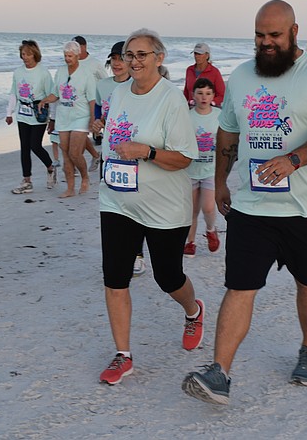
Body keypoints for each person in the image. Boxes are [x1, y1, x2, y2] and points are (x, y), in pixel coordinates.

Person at [182, 0, 307, 405]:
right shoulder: (242, 75)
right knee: (239, 286)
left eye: (275, 35)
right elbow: (227, 131)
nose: (266, 42)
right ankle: (219, 372)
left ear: (295, 31)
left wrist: (294, 159)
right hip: (252, 206)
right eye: (260, 35)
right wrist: (220, 182)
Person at [95, 28, 204, 386]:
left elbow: (185, 158)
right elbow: (116, 137)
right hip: (117, 200)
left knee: (167, 277)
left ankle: (193, 310)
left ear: (159, 58)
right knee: (114, 278)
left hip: (163, 207)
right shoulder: (118, 93)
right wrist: (102, 132)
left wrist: (147, 151)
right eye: (129, 54)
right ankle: (123, 355)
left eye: (142, 54)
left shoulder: (171, 99)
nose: (134, 61)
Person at [93, 41, 145, 277]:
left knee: (133, 205)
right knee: (111, 202)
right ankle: (117, 255)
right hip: (109, 154)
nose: (116, 63)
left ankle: (138, 254)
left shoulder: (138, 85)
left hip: (132, 155)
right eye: (113, 59)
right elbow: (99, 112)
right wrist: (97, 124)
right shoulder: (103, 85)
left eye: (121, 58)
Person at [5, 40, 58, 194]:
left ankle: (50, 167)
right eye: (23, 54)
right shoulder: (18, 72)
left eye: (28, 54)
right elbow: (13, 93)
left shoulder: (43, 73)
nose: (25, 57)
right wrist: (9, 113)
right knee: (24, 147)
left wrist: (52, 119)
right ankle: (27, 181)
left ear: (35, 54)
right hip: (22, 114)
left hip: (38, 114)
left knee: (35, 145)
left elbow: (52, 96)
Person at [53, 41, 97, 197]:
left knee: (74, 153)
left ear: (78, 55)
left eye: (70, 56)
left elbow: (92, 99)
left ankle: (85, 177)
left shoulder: (86, 74)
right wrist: (44, 101)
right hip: (63, 117)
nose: (67, 59)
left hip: (81, 116)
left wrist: (92, 119)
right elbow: (55, 94)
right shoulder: (60, 71)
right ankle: (70, 188)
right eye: (65, 56)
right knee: (65, 153)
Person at [183, 78, 221, 257]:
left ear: (213, 95)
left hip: (210, 170)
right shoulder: (187, 116)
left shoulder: (219, 115)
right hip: (190, 170)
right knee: (191, 210)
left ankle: (211, 230)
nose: (204, 97)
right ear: (193, 95)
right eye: (200, 93)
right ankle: (190, 242)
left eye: (208, 93)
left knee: (208, 207)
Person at [72, 35, 108, 171]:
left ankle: (76, 164)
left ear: (84, 47)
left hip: (92, 104)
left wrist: (101, 106)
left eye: (77, 47)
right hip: (76, 105)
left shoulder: (94, 63)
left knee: (80, 134)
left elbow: (105, 82)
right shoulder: (72, 63)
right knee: (78, 133)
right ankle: (94, 155)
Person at [183, 42, 226, 107]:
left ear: (207, 55)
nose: (197, 56)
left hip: (209, 108)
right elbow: (186, 92)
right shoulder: (189, 70)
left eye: (200, 54)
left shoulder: (214, 72)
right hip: (191, 108)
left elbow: (222, 95)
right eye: (195, 53)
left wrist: (210, 103)